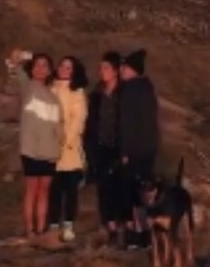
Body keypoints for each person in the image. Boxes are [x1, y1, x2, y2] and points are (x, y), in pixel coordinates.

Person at [7, 49, 61, 241]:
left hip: (50, 150)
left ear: (49, 70)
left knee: (44, 190)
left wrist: (59, 147)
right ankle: (30, 230)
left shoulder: (54, 96)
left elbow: (57, 126)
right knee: (31, 188)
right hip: (30, 148)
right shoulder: (27, 85)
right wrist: (32, 55)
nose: (40, 68)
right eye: (38, 65)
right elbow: (13, 59)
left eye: (45, 65)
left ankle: (41, 229)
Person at [118, 48, 160, 249]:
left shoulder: (130, 91)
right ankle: (146, 233)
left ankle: (136, 233)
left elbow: (127, 124)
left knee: (132, 193)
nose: (121, 71)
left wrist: (124, 151)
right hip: (149, 148)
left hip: (134, 150)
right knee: (145, 191)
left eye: (124, 67)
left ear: (133, 70)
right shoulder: (147, 89)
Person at [86, 51, 125, 247]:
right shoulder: (96, 94)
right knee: (103, 189)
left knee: (119, 188)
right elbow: (91, 122)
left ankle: (121, 227)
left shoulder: (125, 94)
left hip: (119, 148)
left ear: (116, 71)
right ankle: (108, 227)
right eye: (101, 68)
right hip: (99, 147)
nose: (102, 71)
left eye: (106, 68)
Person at [48, 56, 89, 242]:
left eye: (69, 67)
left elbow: (78, 120)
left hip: (70, 151)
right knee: (53, 190)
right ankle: (53, 224)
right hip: (49, 148)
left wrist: (65, 141)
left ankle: (69, 225)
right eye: (62, 65)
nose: (64, 69)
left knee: (70, 191)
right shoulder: (50, 88)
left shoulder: (77, 92)